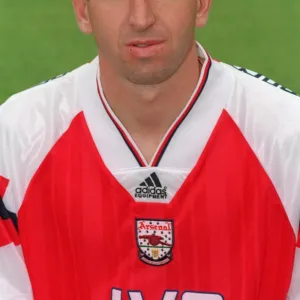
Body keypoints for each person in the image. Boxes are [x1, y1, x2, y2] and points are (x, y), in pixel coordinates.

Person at [0, 0, 299, 298]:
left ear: (202, 5)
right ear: (82, 11)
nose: (141, 18)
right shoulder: (16, 141)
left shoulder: (287, 141)